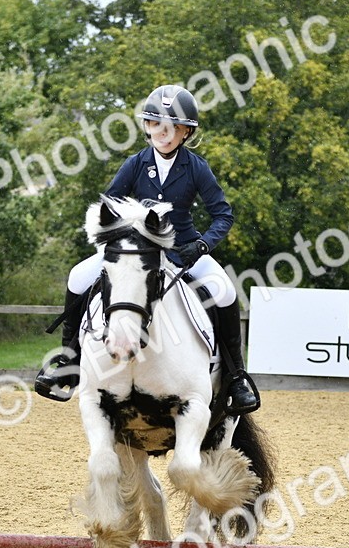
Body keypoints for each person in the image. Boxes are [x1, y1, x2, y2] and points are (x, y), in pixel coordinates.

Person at [34, 84, 260, 414]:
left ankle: (236, 376)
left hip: (182, 251)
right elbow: (107, 206)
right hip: (134, 251)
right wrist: (116, 240)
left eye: (172, 128)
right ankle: (68, 362)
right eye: (156, 125)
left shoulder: (196, 167)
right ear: (147, 127)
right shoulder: (135, 164)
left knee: (224, 291)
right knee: (77, 277)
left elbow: (223, 214)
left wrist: (202, 244)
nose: (163, 133)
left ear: (185, 133)